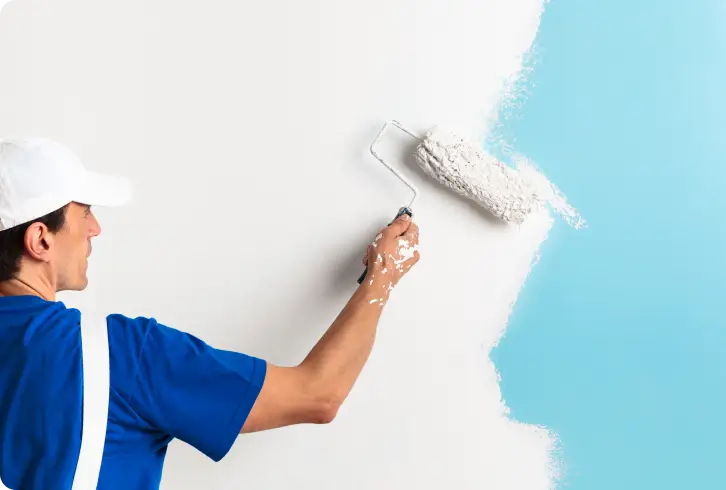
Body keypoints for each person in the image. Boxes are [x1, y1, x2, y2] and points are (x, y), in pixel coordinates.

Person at [0, 136, 420, 489]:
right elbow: (317, 395)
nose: (95, 229)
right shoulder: (120, 356)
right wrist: (382, 276)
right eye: (84, 212)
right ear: (40, 241)